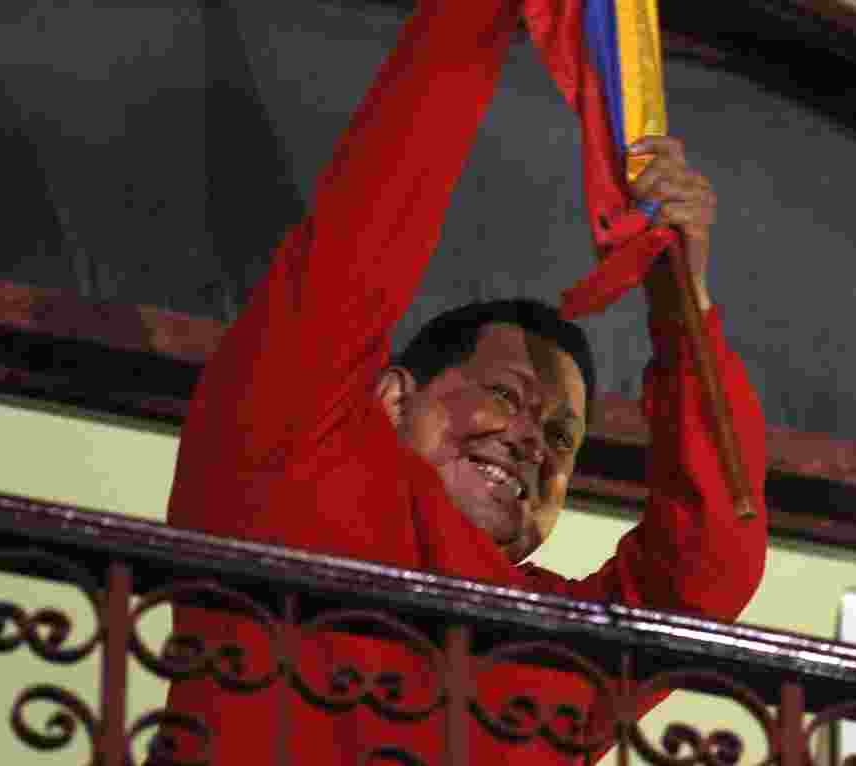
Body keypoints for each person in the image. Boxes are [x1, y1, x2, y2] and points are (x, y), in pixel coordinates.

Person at [158, 0, 767, 763]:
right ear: (392, 398)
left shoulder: (557, 642)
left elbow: (711, 562)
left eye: (560, 440)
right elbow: (365, 231)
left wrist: (682, 301)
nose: (529, 445)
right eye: (505, 396)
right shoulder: (286, 459)